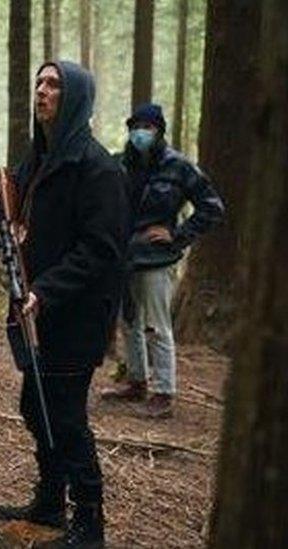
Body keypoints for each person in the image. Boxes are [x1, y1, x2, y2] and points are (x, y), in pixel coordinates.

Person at [0, 61, 129, 548]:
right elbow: (3, 204)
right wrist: (0, 227)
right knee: (36, 405)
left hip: (74, 317)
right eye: (40, 83)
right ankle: (49, 501)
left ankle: (89, 521)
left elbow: (101, 249)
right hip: (33, 314)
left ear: (76, 99)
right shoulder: (37, 158)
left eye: (54, 85)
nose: (42, 92)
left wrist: (46, 290)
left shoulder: (98, 169)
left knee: (65, 415)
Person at [101, 103, 224, 418]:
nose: (140, 133)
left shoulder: (178, 166)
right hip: (124, 257)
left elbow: (212, 207)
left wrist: (179, 234)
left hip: (157, 259)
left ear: (159, 131)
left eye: (148, 127)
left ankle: (164, 392)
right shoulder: (121, 164)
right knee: (128, 323)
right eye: (135, 126)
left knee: (157, 325)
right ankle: (136, 381)